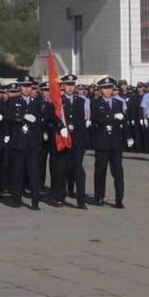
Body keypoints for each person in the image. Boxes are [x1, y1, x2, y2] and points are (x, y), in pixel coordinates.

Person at [91, 77, 133, 208]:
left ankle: (119, 199)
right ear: (100, 90)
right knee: (100, 172)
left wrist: (128, 137)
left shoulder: (118, 103)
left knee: (118, 172)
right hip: (102, 141)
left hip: (116, 142)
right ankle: (99, 197)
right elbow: (98, 118)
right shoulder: (95, 103)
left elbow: (124, 122)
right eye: (105, 88)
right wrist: (113, 117)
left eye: (109, 88)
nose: (107, 91)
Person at [5, 75, 44, 210]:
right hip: (18, 141)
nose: (27, 89)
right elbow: (8, 116)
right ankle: (16, 198)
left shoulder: (37, 101)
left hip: (33, 142)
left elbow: (41, 120)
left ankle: (35, 201)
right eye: (24, 86)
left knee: (34, 173)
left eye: (29, 86)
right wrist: (21, 117)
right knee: (18, 172)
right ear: (19, 87)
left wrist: (36, 121)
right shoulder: (12, 101)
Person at [51, 73, 89, 209]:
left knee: (79, 170)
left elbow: (83, 122)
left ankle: (80, 200)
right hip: (64, 139)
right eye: (68, 85)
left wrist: (84, 141)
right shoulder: (58, 101)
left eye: (72, 85)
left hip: (77, 140)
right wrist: (60, 128)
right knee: (61, 170)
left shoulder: (81, 101)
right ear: (63, 86)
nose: (70, 88)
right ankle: (59, 197)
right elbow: (54, 118)